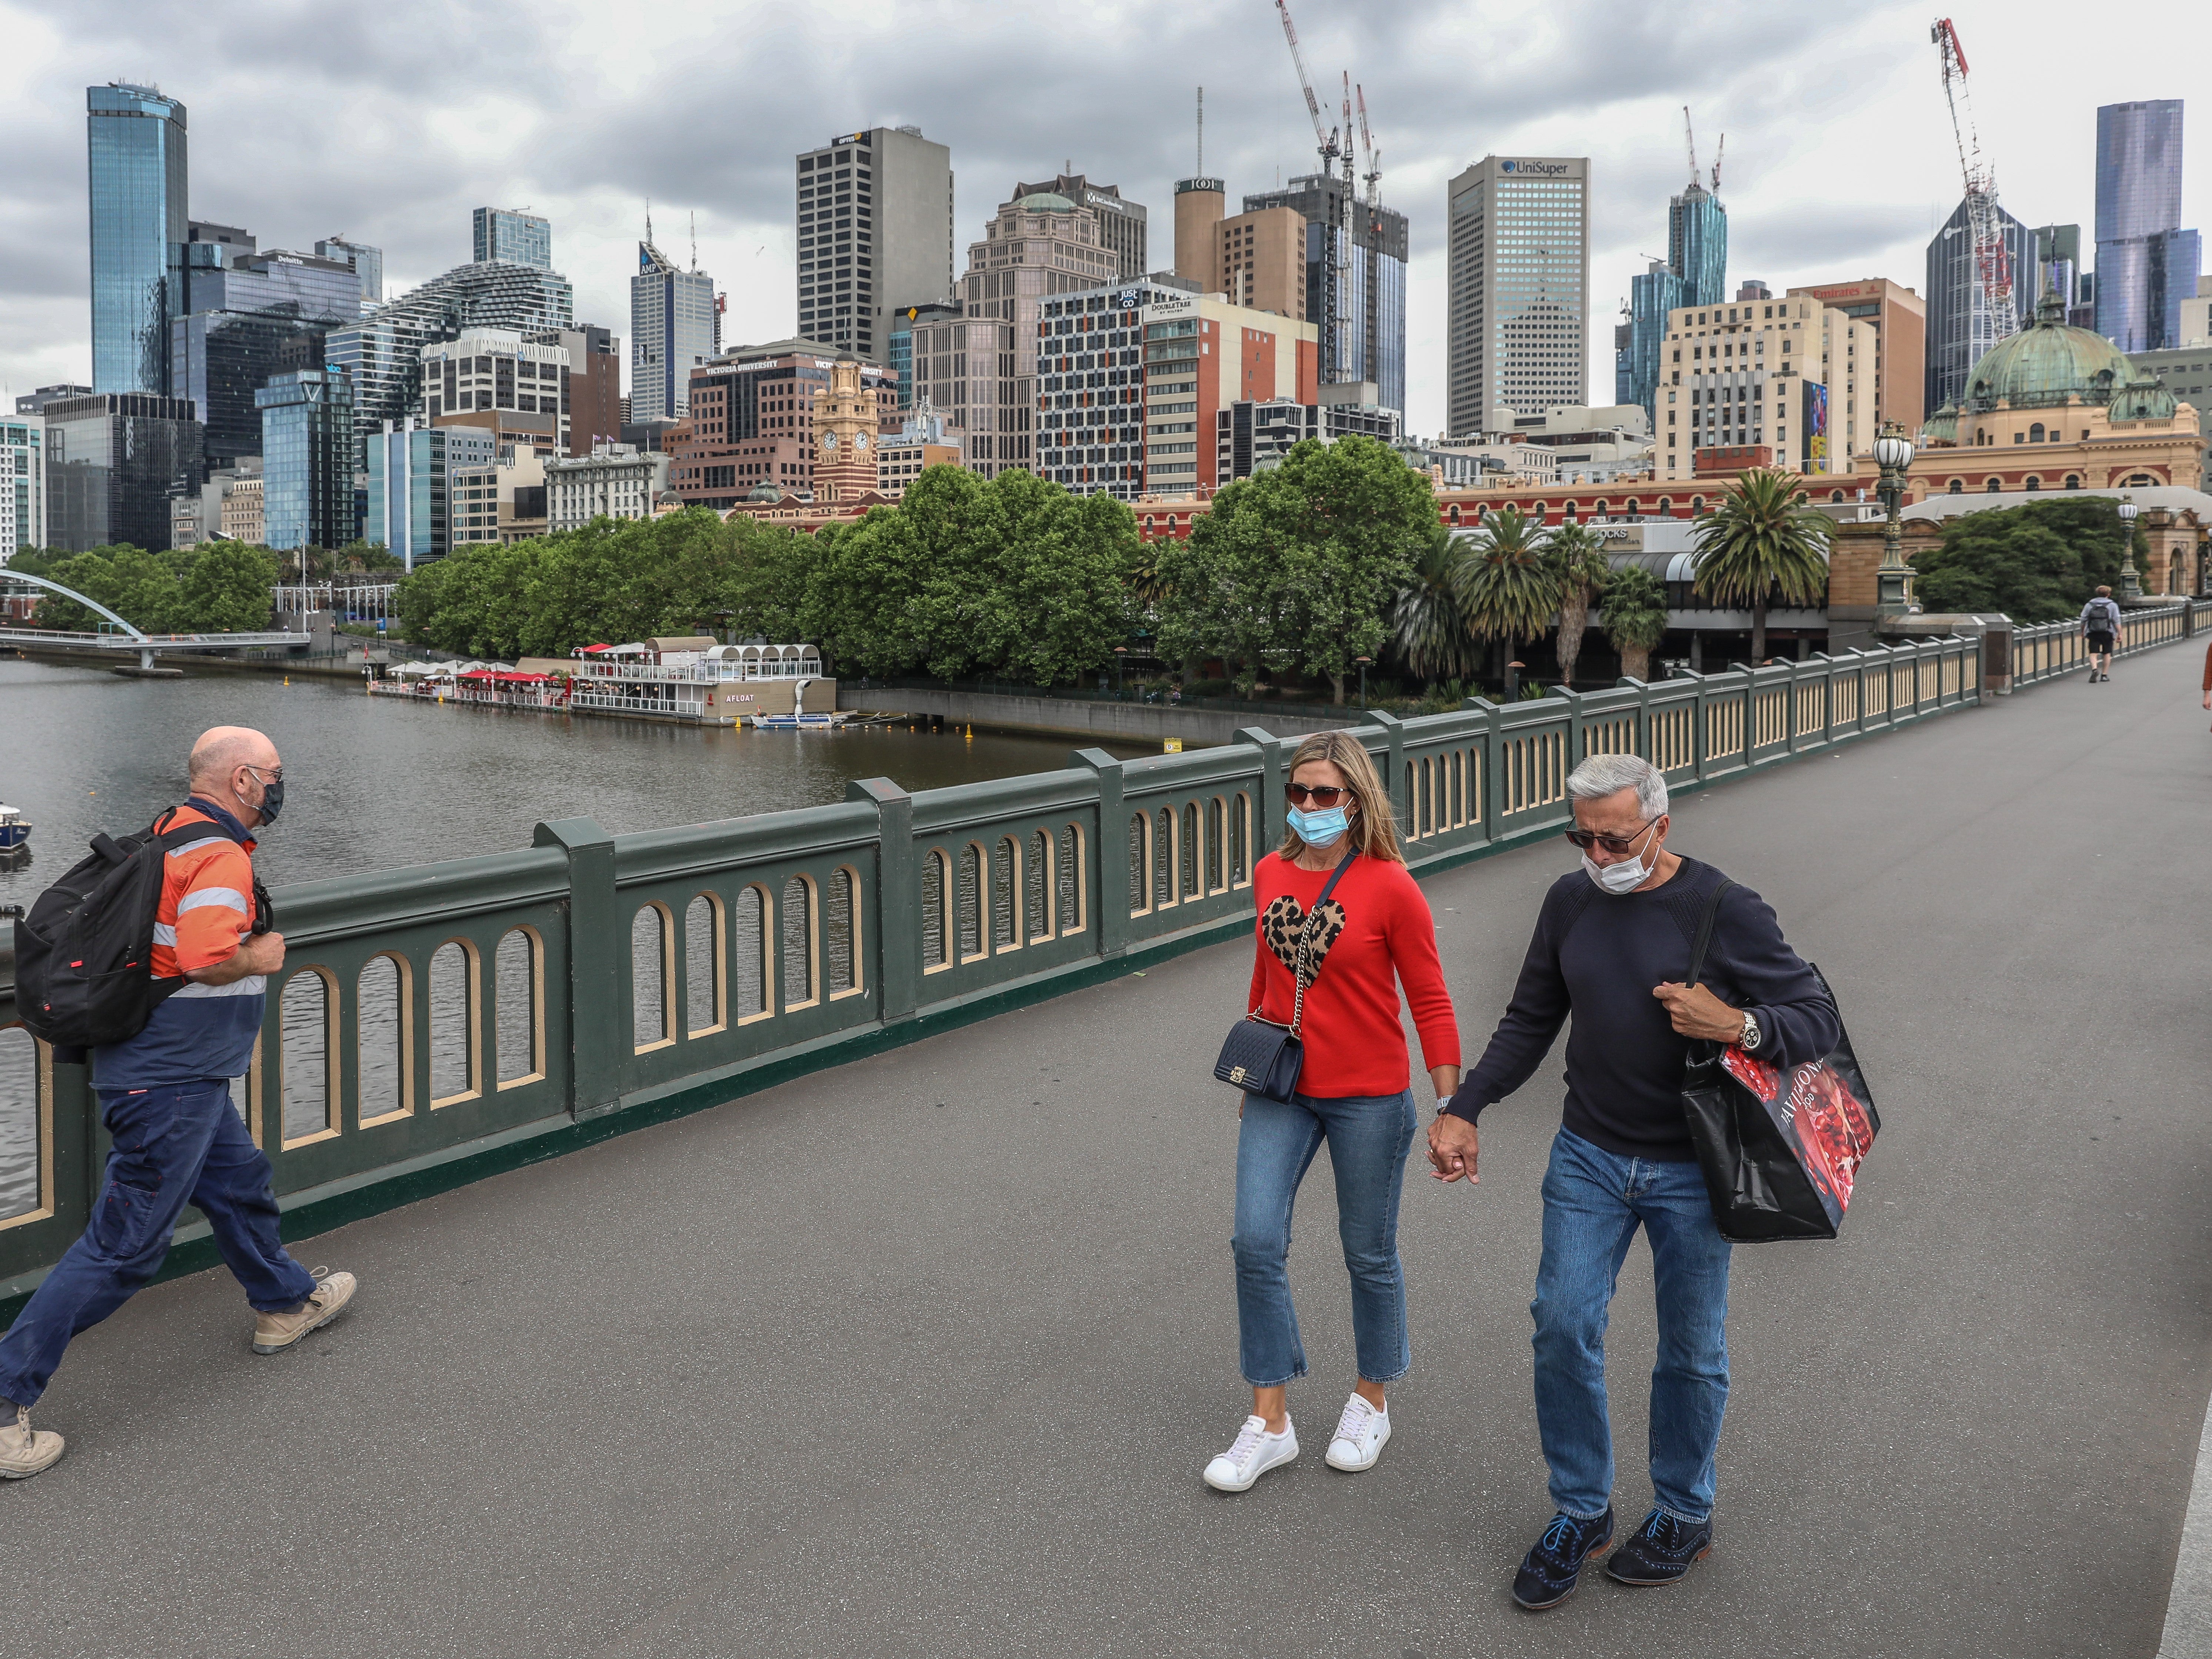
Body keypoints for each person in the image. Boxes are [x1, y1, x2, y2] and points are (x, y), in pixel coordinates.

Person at [1427, 753, 1838, 1608]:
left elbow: (1815, 1018)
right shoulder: (1569, 900)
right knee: (1561, 1322)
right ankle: (1582, 1513)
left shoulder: (1722, 908)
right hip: (1589, 1154)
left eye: (1614, 840)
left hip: (1695, 1167)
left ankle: (1684, 1515)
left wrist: (1737, 1023)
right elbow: (1532, 1014)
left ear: (1660, 824)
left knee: (1690, 1348)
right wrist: (1465, 1106)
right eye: (1582, 838)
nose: (1598, 855)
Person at [0, 727, 357, 1480]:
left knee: (238, 1181)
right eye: (276, 775)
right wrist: (262, 953)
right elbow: (204, 955)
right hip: (167, 1080)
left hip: (172, 1071)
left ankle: (284, 1301)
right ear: (245, 781)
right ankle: (4, 1399)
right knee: (123, 1247)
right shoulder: (219, 853)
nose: (282, 788)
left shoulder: (166, 832)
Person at [1203, 731, 1461, 1493]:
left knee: (1367, 1252)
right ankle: (1270, 1419)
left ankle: (1370, 1397)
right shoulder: (1269, 872)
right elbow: (1264, 978)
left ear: (1354, 798)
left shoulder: (1389, 886)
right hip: (1282, 1089)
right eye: (1298, 792)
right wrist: (1251, 1070)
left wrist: (1451, 1104)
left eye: (1325, 793)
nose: (1309, 806)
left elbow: (1430, 999)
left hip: (1369, 1096)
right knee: (1254, 1239)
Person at [2081, 585, 2123, 682]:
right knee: (2107, 654)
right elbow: (2116, 620)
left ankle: (2095, 669)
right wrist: (2120, 634)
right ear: (2108, 594)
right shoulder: (2113, 605)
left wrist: (2083, 631)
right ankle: (2104, 675)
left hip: (2093, 632)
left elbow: (2083, 619)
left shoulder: (2090, 605)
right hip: (2108, 632)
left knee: (2093, 653)